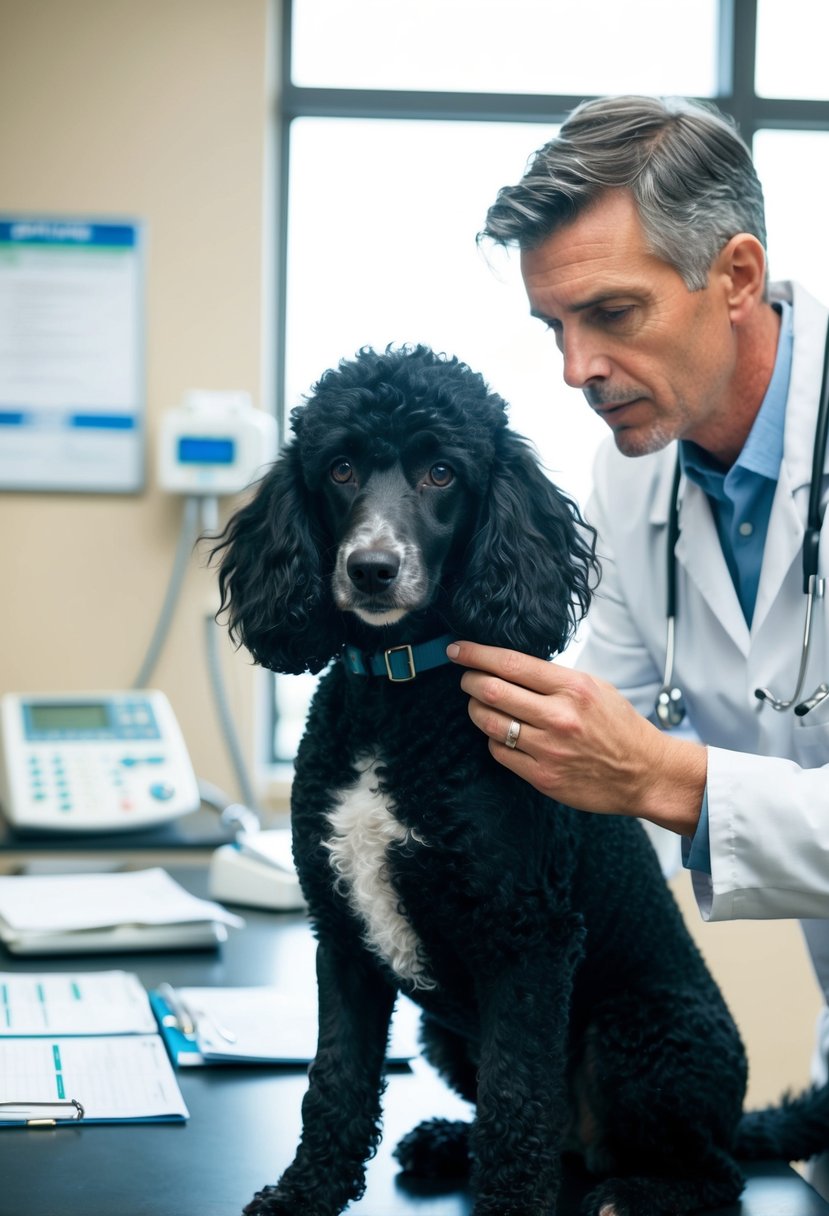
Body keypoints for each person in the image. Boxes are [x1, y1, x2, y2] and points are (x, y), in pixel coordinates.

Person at [446, 94, 829, 1190]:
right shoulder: (635, 468)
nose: (575, 368)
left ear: (737, 276)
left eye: (611, 313)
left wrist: (668, 778)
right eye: (553, 328)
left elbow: (638, 765)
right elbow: (590, 732)